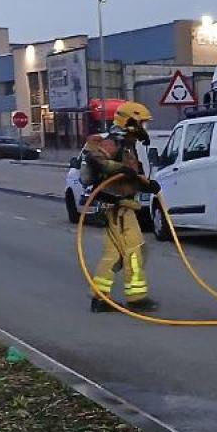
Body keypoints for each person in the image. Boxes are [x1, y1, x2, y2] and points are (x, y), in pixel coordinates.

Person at [82, 102, 160, 312]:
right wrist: (122, 169)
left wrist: (148, 185)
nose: (145, 127)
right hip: (118, 208)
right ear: (131, 121)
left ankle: (100, 298)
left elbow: (133, 175)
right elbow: (97, 160)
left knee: (114, 255)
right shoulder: (113, 142)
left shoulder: (127, 145)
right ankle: (136, 298)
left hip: (122, 207)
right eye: (143, 122)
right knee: (135, 250)